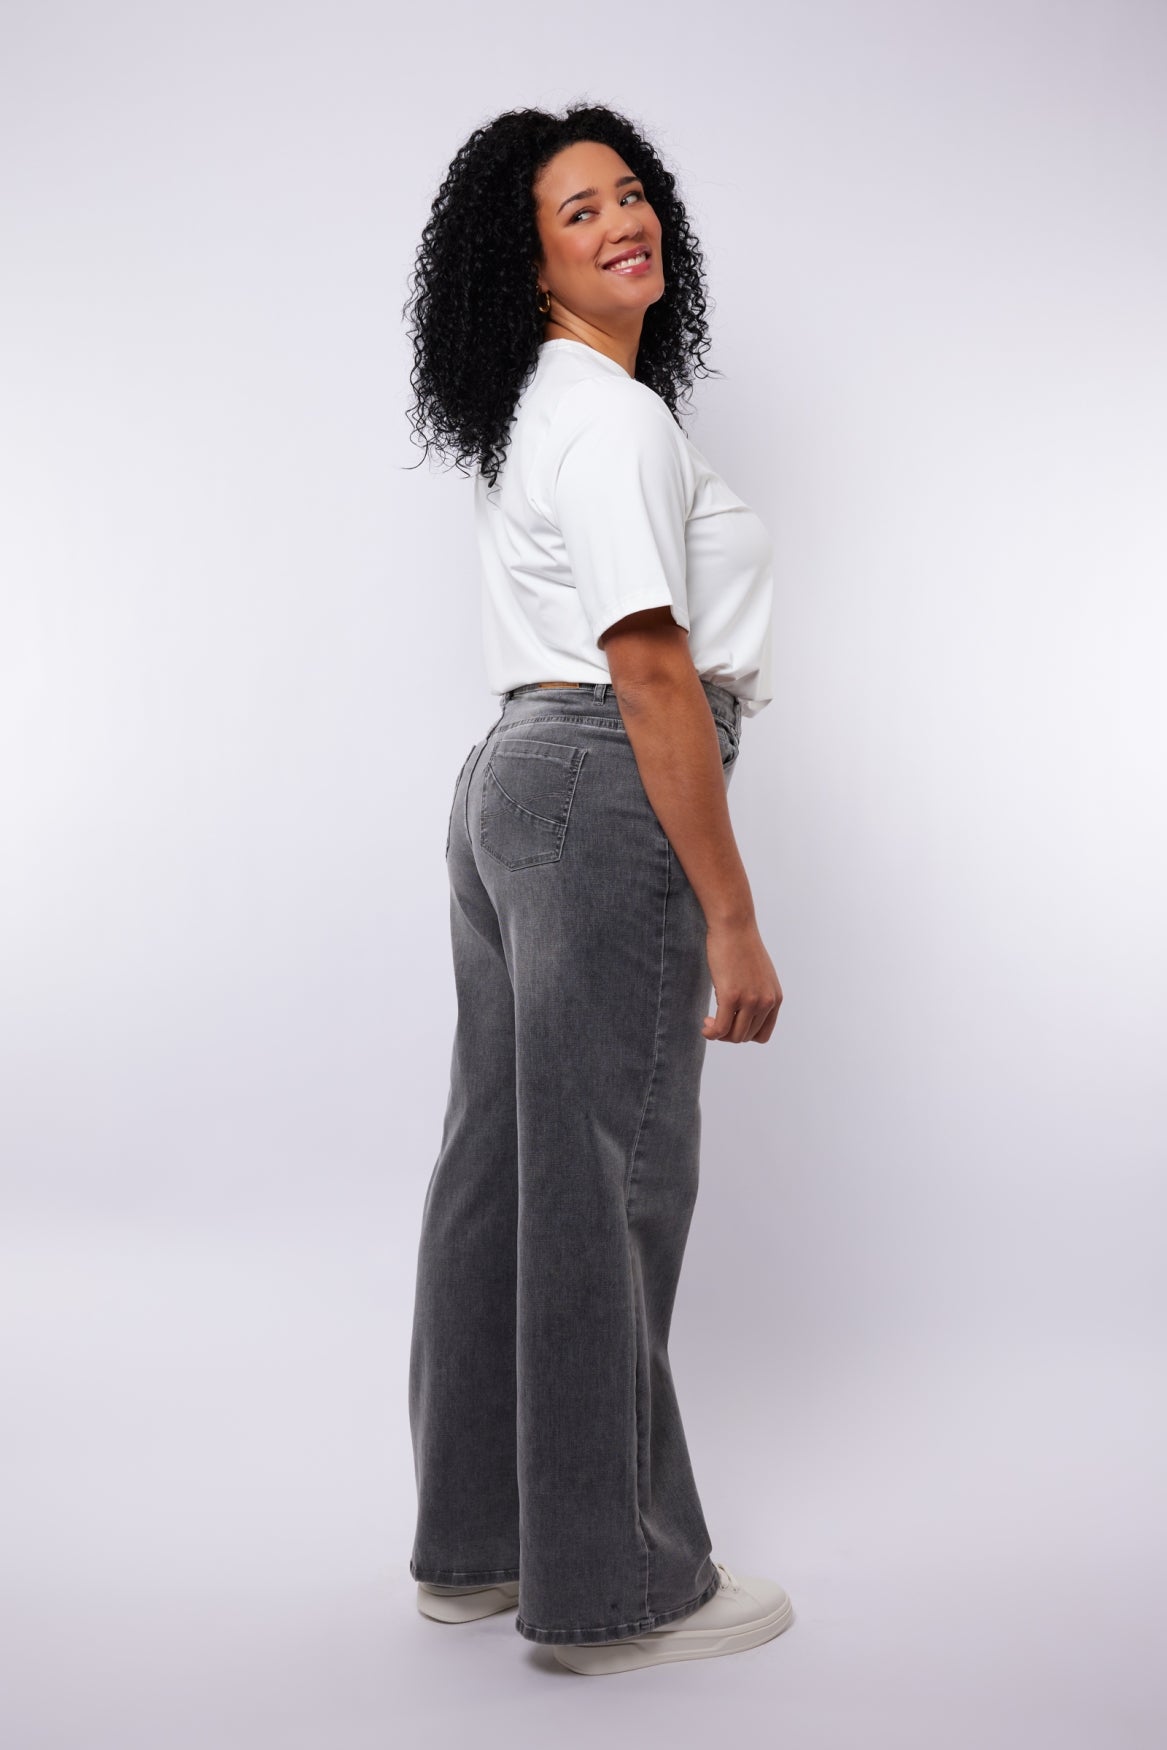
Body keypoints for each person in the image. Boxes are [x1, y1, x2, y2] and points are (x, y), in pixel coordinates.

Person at [402, 101, 794, 1675]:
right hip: (599, 777)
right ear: (532, 262)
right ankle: (614, 1583)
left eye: (631, 194)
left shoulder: (543, 411)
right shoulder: (614, 420)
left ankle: (479, 1545)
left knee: (501, 1167)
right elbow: (649, 668)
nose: (623, 221)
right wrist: (733, 913)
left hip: (509, 780)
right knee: (604, 1180)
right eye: (579, 210)